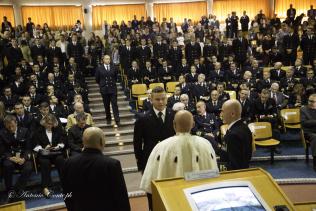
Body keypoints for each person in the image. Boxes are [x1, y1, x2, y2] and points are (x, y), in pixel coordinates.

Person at [140, 110, 218, 210]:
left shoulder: (161, 147)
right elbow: (214, 176)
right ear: (193, 124)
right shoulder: (206, 144)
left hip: (172, 203)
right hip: (201, 203)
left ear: (174, 124)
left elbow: (150, 185)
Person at [61, 127, 130, 211]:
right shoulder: (112, 165)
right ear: (101, 141)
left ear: (83, 141)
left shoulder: (68, 163)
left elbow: (67, 194)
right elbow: (121, 197)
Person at [134, 86, 175, 172]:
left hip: (171, 158)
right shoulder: (142, 119)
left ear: (167, 99)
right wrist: (141, 164)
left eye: (163, 99)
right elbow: (137, 143)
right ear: (151, 100)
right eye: (157, 99)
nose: (161, 102)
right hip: (151, 159)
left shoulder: (174, 115)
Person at [0, 115, 32, 201]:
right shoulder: (2, 133)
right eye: (8, 127)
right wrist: (10, 158)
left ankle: (18, 189)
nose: (11, 129)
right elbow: (2, 150)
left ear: (16, 123)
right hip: (10, 158)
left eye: (12, 126)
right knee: (7, 166)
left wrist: (24, 158)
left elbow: (28, 148)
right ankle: (9, 190)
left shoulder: (25, 131)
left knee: (28, 167)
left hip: (22, 157)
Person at [33, 114, 66, 197]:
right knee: (45, 163)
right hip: (44, 154)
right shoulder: (38, 131)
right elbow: (35, 144)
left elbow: (63, 141)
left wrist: (58, 146)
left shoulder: (58, 130)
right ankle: (46, 187)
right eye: (48, 124)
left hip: (55, 153)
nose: (49, 126)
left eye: (51, 124)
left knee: (60, 160)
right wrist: (43, 148)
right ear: (44, 123)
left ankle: (64, 184)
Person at [221, 99, 253, 170]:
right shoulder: (244, 127)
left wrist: (217, 168)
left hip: (234, 176)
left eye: (223, 111)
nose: (221, 115)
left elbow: (235, 166)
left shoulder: (233, 134)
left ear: (232, 114)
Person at [95, 55, 120, 125]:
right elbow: (97, 79)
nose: (108, 60)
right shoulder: (99, 68)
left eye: (109, 59)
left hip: (113, 88)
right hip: (104, 89)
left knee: (114, 104)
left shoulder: (113, 67)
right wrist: (102, 85)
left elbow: (115, 77)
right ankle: (108, 118)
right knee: (106, 104)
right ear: (103, 60)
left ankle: (117, 118)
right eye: (106, 59)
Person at [301, 94, 316, 171]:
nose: (310, 102)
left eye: (312, 101)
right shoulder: (303, 109)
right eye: (309, 101)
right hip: (308, 132)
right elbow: (304, 123)